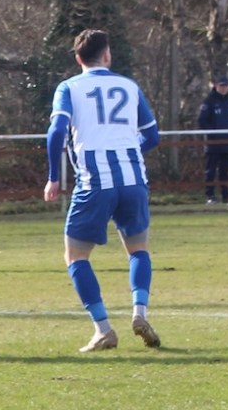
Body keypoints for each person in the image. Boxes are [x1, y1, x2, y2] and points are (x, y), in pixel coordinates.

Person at [44, 30, 162, 352]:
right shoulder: (129, 86)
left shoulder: (69, 87)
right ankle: (139, 313)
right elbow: (153, 137)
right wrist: (128, 150)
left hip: (95, 182)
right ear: (107, 55)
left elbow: (56, 132)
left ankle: (103, 329)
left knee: (75, 255)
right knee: (138, 250)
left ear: (78, 59)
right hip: (134, 179)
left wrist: (54, 177)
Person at [198, 74, 228, 204]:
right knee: (210, 170)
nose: (224, 88)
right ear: (216, 86)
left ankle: (225, 195)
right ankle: (210, 195)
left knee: (224, 171)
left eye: (226, 85)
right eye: (221, 85)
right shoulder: (209, 101)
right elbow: (202, 120)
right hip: (213, 143)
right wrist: (213, 134)